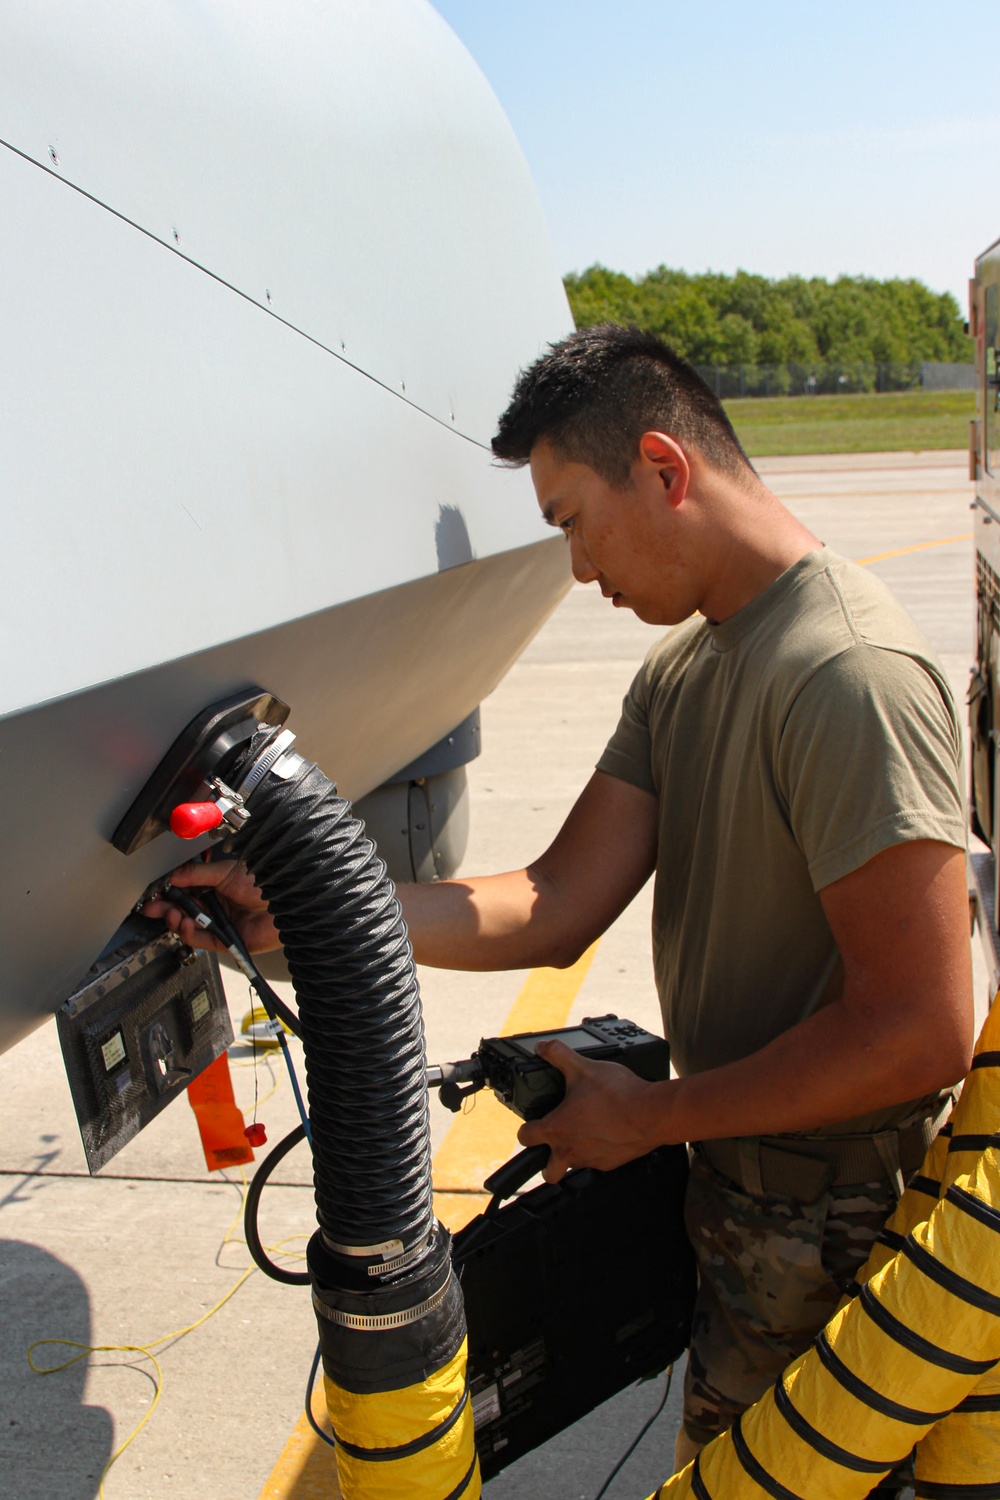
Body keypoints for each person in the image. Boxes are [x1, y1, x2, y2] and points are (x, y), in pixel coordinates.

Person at [147, 326, 973, 1480]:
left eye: (572, 520)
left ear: (663, 468)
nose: (579, 568)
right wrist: (312, 902)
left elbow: (918, 1029)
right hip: (738, 1193)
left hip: (836, 1221)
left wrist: (645, 1119)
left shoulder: (847, 674)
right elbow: (549, 900)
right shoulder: (688, 669)